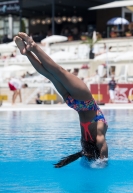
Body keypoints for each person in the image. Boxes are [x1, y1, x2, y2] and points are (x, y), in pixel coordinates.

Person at [14, 32, 108, 168]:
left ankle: (33, 46)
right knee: (50, 75)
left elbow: (103, 147)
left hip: (85, 102)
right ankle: (26, 53)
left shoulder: (100, 129)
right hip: (74, 104)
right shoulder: (86, 143)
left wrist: (104, 161)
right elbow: (93, 149)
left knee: (59, 71)